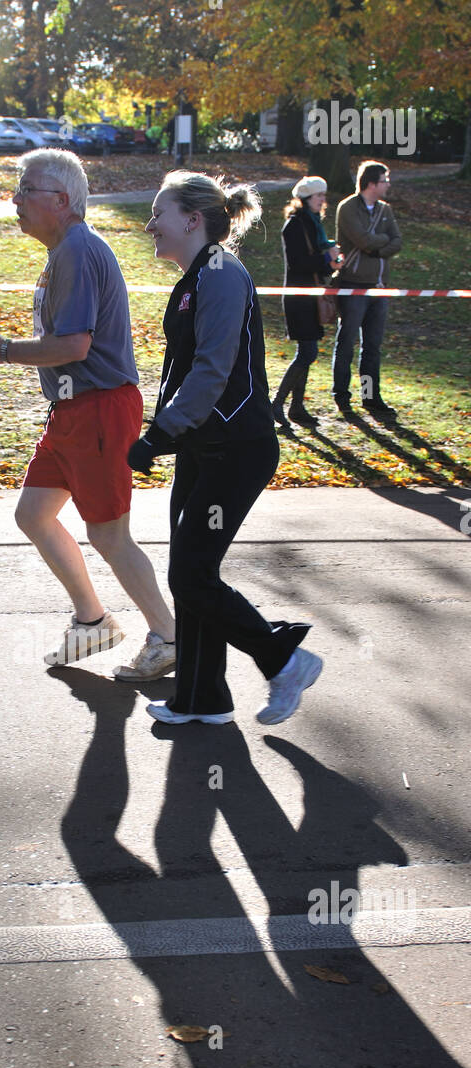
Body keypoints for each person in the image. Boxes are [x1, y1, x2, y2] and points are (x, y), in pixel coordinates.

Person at [127, 171, 322, 726]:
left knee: (190, 575)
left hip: (238, 449)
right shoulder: (196, 276)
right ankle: (202, 699)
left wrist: (161, 433)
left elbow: (212, 371)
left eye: (158, 212)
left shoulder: (221, 273)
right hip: (202, 448)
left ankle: (284, 658)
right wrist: (165, 433)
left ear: (192, 219)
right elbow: (184, 372)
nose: (150, 224)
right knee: (193, 573)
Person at [0, 149, 176, 678]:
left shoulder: (78, 251)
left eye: (27, 189)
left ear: (61, 200)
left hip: (100, 409)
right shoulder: (65, 250)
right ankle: (93, 622)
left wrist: (5, 350)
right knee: (33, 515)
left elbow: (75, 345)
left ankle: (169, 637)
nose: (16, 199)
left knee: (109, 534)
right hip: (71, 409)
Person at [332, 161, 402, 420]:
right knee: (347, 342)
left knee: (372, 346)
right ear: (371, 183)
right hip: (352, 285)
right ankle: (341, 396)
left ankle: (370, 397)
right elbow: (361, 239)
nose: (387, 184)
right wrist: (378, 244)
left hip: (378, 287)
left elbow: (397, 242)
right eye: (384, 180)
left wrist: (376, 246)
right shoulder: (347, 208)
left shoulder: (385, 210)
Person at [272, 175, 342, 429]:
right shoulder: (294, 225)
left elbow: (316, 260)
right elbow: (298, 263)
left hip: (312, 294)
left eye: (323, 195)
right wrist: (326, 260)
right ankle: (278, 403)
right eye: (318, 196)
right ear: (305, 199)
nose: (323, 200)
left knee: (308, 352)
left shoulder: (314, 224)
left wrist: (331, 262)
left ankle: (296, 407)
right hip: (299, 296)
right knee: (308, 351)